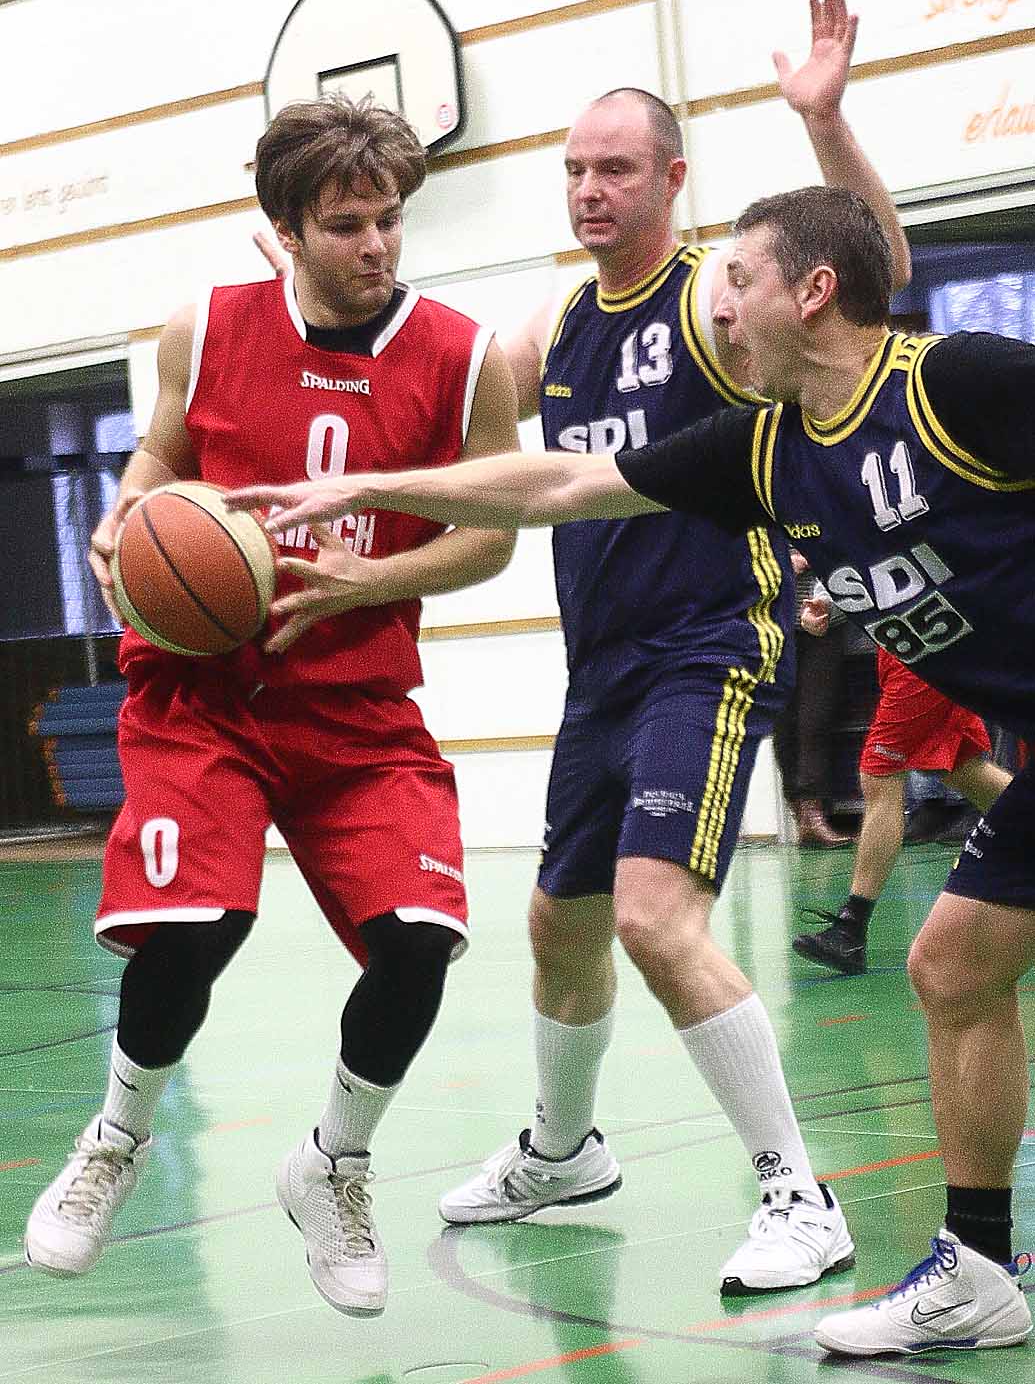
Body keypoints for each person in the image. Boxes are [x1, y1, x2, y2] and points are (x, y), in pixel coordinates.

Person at [226, 184, 1035, 1357]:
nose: (724, 309)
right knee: (952, 964)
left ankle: (887, 1232)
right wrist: (370, 484)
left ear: (814, 291)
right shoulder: (768, 448)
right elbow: (559, 483)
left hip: (754, 666)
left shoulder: (955, 383)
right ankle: (978, 1271)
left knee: (909, 956)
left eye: (740, 283)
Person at [238, 0, 911, 1300]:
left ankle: (799, 1193)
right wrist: (311, 349)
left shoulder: (711, 294)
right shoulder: (550, 331)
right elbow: (456, 440)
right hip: (600, 666)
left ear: (672, 179)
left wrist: (826, 129)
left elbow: (870, 276)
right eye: (571, 170)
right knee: (560, 921)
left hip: (709, 647)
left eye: (614, 169)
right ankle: (562, 1149)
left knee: (655, 918)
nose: (588, 190)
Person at [22, 95, 520, 1319]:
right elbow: (161, 453)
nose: (377, 244)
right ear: (286, 231)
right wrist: (126, 517)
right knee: (196, 924)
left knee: (420, 940)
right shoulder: (206, 328)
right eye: (347, 225)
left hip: (358, 707)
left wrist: (374, 579)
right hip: (206, 692)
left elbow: (494, 534)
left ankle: (333, 1161)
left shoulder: (464, 358)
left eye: (389, 219)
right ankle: (116, 1138)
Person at [793, 608, 1013, 973]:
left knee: (879, 775)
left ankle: (850, 928)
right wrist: (832, 603)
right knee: (963, 769)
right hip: (919, 647)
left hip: (922, 650)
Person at [772, 550, 853, 847]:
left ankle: (813, 812)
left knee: (815, 719)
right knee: (783, 722)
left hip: (824, 620)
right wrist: (781, 561)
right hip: (774, 624)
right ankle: (800, 813)